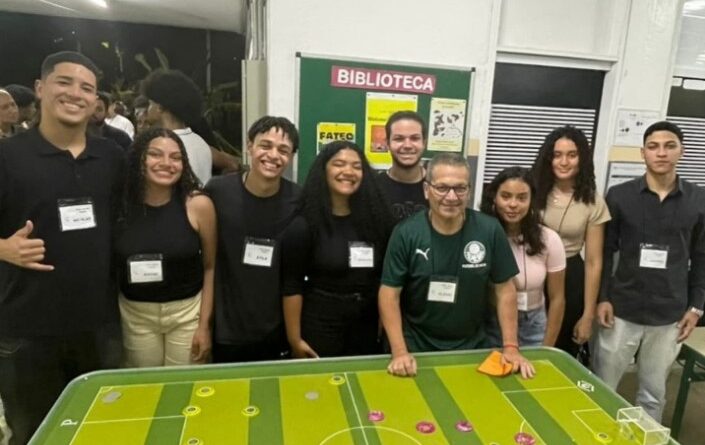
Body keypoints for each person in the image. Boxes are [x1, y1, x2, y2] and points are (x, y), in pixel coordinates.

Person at [0, 51, 125, 444]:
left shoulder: (112, 157)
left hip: (98, 327)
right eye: (64, 82)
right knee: (34, 431)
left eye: (86, 88)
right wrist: (1, 248)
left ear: (96, 100)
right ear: (40, 89)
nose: (75, 94)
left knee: (97, 431)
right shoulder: (7, 156)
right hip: (26, 329)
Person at [379, 153, 535, 378]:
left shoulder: (489, 230)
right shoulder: (405, 233)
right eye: (441, 188)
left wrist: (511, 346)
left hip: (472, 348)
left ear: (469, 191)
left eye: (460, 188)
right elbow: (389, 294)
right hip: (415, 349)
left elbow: (505, 289)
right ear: (426, 190)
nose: (451, 196)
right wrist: (399, 351)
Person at [593, 121, 705, 422]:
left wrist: (696, 307)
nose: (661, 153)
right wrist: (602, 297)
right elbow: (605, 251)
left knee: (653, 393)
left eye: (670, 146)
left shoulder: (699, 200)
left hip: (669, 314)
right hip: (620, 309)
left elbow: (702, 257)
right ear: (642, 152)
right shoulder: (619, 196)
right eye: (653, 147)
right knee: (603, 388)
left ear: (681, 151)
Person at [282, 141, 395, 358]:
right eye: (339, 164)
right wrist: (294, 339)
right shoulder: (305, 224)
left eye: (356, 166)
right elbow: (291, 285)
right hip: (321, 322)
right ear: (324, 170)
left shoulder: (376, 220)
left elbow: (385, 276)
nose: (348, 172)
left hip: (366, 322)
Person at [115, 128, 216, 367]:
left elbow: (211, 267)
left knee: (185, 390)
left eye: (175, 157)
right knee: (145, 389)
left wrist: (204, 326)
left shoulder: (198, 205)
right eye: (155, 155)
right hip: (135, 315)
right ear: (139, 159)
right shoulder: (119, 205)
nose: (166, 163)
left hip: (186, 314)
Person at [205, 116, 300, 363]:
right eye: (265, 145)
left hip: (275, 329)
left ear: (291, 157)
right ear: (249, 146)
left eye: (283, 150)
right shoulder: (217, 191)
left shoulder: (299, 201)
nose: (273, 155)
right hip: (227, 329)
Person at [532, 125, 610, 358]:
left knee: (560, 347)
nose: (563, 162)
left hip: (570, 278)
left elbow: (594, 262)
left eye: (571, 155)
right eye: (557, 155)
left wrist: (588, 315)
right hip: (531, 272)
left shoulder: (593, 202)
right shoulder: (531, 191)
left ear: (582, 159)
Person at [480, 167, 566, 346]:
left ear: (531, 200)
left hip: (534, 323)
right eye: (505, 196)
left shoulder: (549, 239)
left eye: (521, 198)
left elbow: (557, 298)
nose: (513, 204)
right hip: (491, 322)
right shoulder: (481, 236)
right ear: (494, 198)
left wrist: (547, 346)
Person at [141, 69, 212, 185]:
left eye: (150, 103)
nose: (147, 109)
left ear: (159, 107)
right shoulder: (200, 143)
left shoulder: (167, 146)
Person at [376, 111, 427, 221]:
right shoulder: (374, 188)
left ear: (424, 143)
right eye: (399, 139)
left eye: (414, 138)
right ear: (387, 144)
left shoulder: (438, 187)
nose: (407, 145)